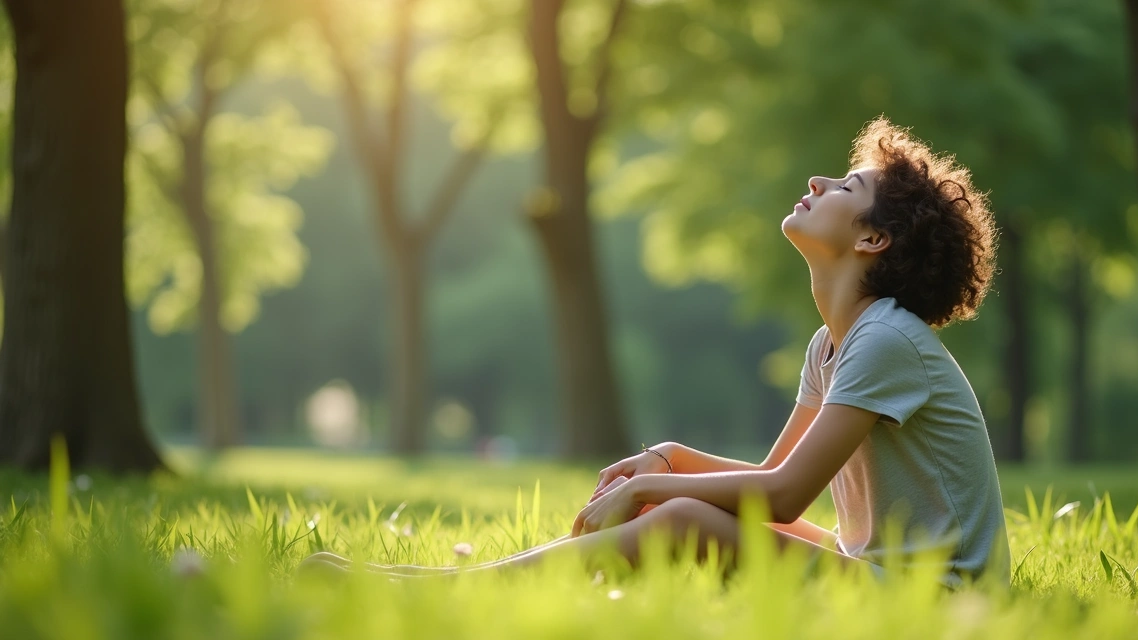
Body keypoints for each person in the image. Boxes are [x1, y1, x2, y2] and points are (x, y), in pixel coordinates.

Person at [300, 117, 1010, 587]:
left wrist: (654, 490)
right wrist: (672, 459)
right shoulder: (834, 344)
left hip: (939, 606)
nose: (817, 183)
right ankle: (441, 583)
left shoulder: (886, 338)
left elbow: (785, 496)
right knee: (683, 511)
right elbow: (770, 481)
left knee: (682, 521)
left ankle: (448, 589)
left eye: (846, 187)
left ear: (872, 239)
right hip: (879, 575)